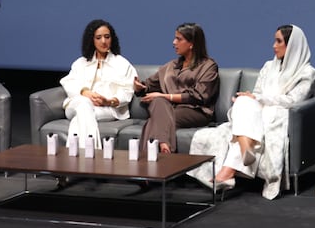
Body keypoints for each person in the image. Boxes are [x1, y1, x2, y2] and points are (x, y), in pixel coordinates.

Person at [187, 24, 315, 199]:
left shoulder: (308, 73)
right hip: (259, 109)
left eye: (278, 41)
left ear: (292, 45)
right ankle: (245, 146)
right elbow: (256, 93)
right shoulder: (268, 66)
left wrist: (260, 99)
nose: (274, 45)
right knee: (242, 100)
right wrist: (252, 97)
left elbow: (294, 100)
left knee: (251, 108)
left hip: (281, 113)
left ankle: (227, 171)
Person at [134, 23, 219, 154]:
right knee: (158, 103)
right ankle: (165, 148)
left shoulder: (208, 66)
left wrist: (166, 96)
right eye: (175, 38)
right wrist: (140, 87)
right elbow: (149, 85)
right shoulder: (171, 66)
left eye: (179, 39)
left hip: (195, 111)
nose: (174, 42)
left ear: (192, 44)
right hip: (167, 108)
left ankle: (146, 162)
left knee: (157, 117)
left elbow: (200, 96)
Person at [59, 19, 136, 149]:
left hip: (107, 108)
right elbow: (69, 82)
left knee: (81, 116)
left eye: (107, 37)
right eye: (98, 37)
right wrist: (85, 92)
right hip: (77, 105)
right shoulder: (81, 62)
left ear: (112, 39)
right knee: (84, 104)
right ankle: (93, 154)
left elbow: (127, 90)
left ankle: (73, 156)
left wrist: (109, 101)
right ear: (92, 40)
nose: (103, 41)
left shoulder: (122, 64)